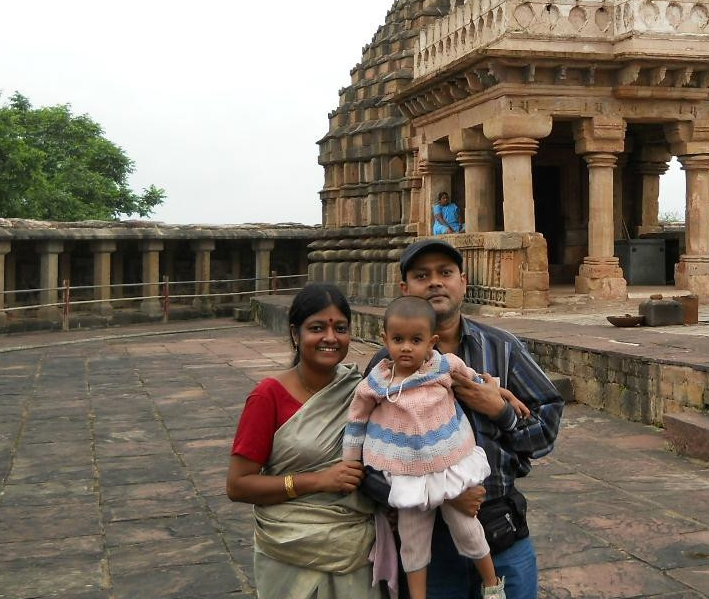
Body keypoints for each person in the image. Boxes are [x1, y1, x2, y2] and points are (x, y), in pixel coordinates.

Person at [364, 239, 564, 599]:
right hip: (427, 541)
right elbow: (369, 463)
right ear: (405, 289)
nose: (436, 282)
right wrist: (440, 494)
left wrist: (502, 413)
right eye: (422, 275)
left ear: (464, 282)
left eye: (446, 273)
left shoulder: (502, 348)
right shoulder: (385, 370)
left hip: (500, 527)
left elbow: (547, 429)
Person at [345, 296, 522, 599]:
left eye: (416, 340)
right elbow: (356, 421)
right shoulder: (376, 383)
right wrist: (349, 460)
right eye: (398, 339)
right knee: (413, 538)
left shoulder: (442, 366)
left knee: (467, 528)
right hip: (406, 470)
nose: (406, 348)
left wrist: (504, 396)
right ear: (384, 338)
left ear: (432, 342)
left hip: (447, 462)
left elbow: (476, 381)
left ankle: (492, 584)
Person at [227, 283, 382, 599]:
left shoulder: (362, 391)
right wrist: (318, 481)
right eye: (317, 328)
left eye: (340, 328)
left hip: (354, 546)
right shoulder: (267, 396)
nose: (330, 337)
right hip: (289, 546)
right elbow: (238, 485)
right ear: (296, 334)